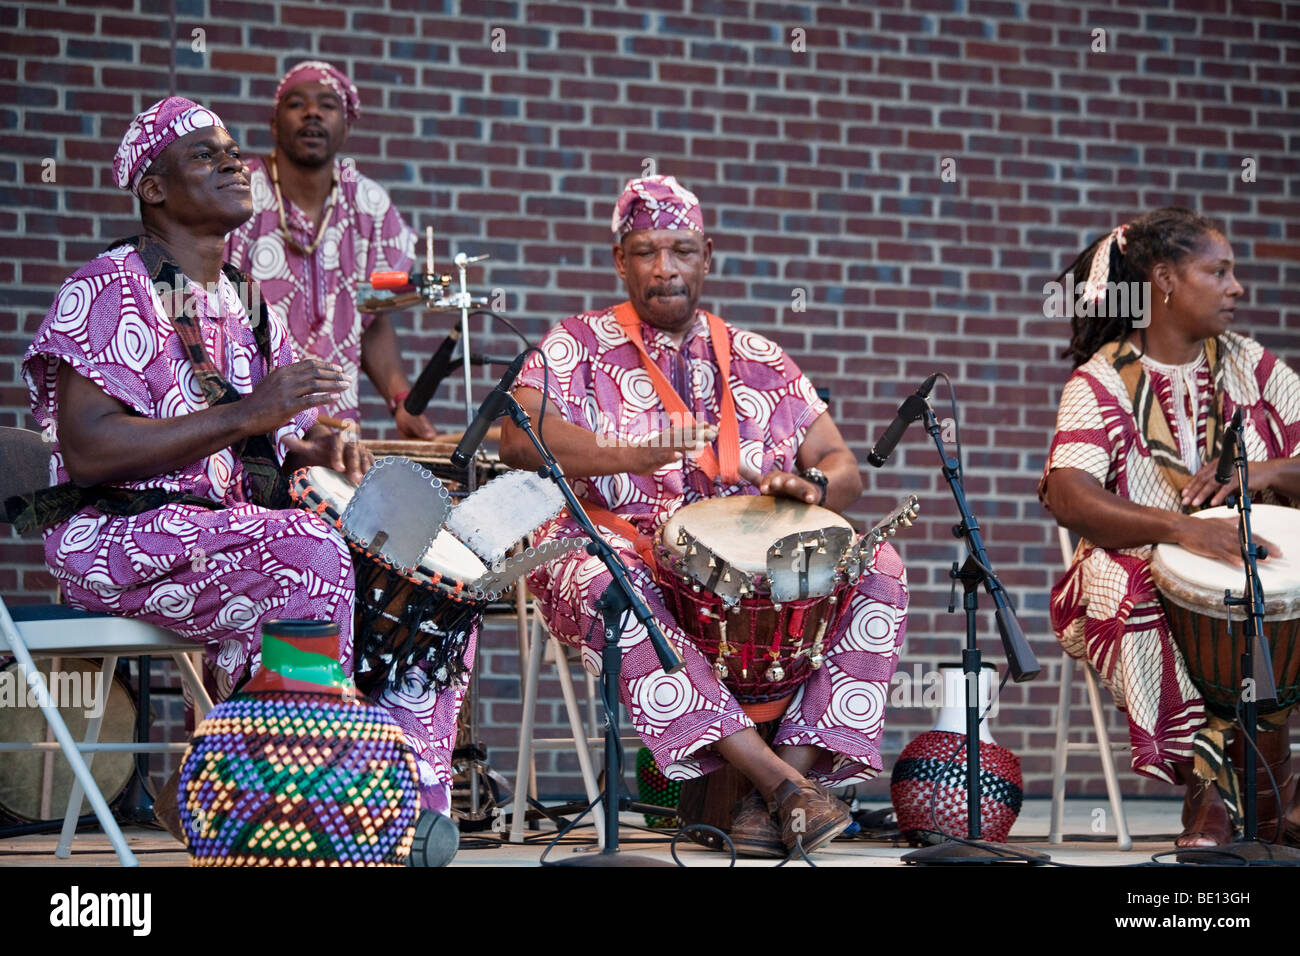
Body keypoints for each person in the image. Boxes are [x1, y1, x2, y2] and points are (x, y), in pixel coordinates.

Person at [19, 98, 466, 855]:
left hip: (224, 537)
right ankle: (306, 801)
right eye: (207, 155)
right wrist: (249, 414)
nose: (233, 164)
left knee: (420, 583)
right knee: (308, 552)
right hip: (117, 535)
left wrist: (320, 448)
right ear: (154, 189)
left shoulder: (248, 302)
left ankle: (404, 801)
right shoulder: (104, 288)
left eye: (233, 152)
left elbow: (275, 432)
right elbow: (90, 450)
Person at [499, 175, 909, 857]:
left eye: (681, 250)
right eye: (646, 251)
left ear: (707, 254)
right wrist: (627, 452)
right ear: (619, 260)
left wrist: (809, 486)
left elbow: (844, 464)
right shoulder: (574, 345)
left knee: (880, 566)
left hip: (744, 572)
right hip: (615, 546)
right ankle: (780, 787)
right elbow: (518, 438)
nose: (666, 268)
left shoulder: (762, 359)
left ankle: (780, 792)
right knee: (617, 584)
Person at [1040, 206, 1300, 848]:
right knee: (1134, 588)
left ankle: (1244, 797)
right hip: (1132, 570)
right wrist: (1183, 533)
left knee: (1260, 595)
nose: (1237, 287)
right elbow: (1070, 495)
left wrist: (1257, 470)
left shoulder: (1255, 369)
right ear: (1164, 280)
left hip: (1251, 566)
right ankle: (1239, 791)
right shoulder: (1100, 382)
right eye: (1219, 271)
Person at [225, 60, 437, 439]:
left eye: (327, 104)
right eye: (296, 104)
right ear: (274, 124)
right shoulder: (237, 195)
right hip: (247, 422)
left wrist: (400, 400)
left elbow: (375, 316)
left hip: (336, 430)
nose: (312, 113)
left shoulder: (370, 204)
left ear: (345, 128)